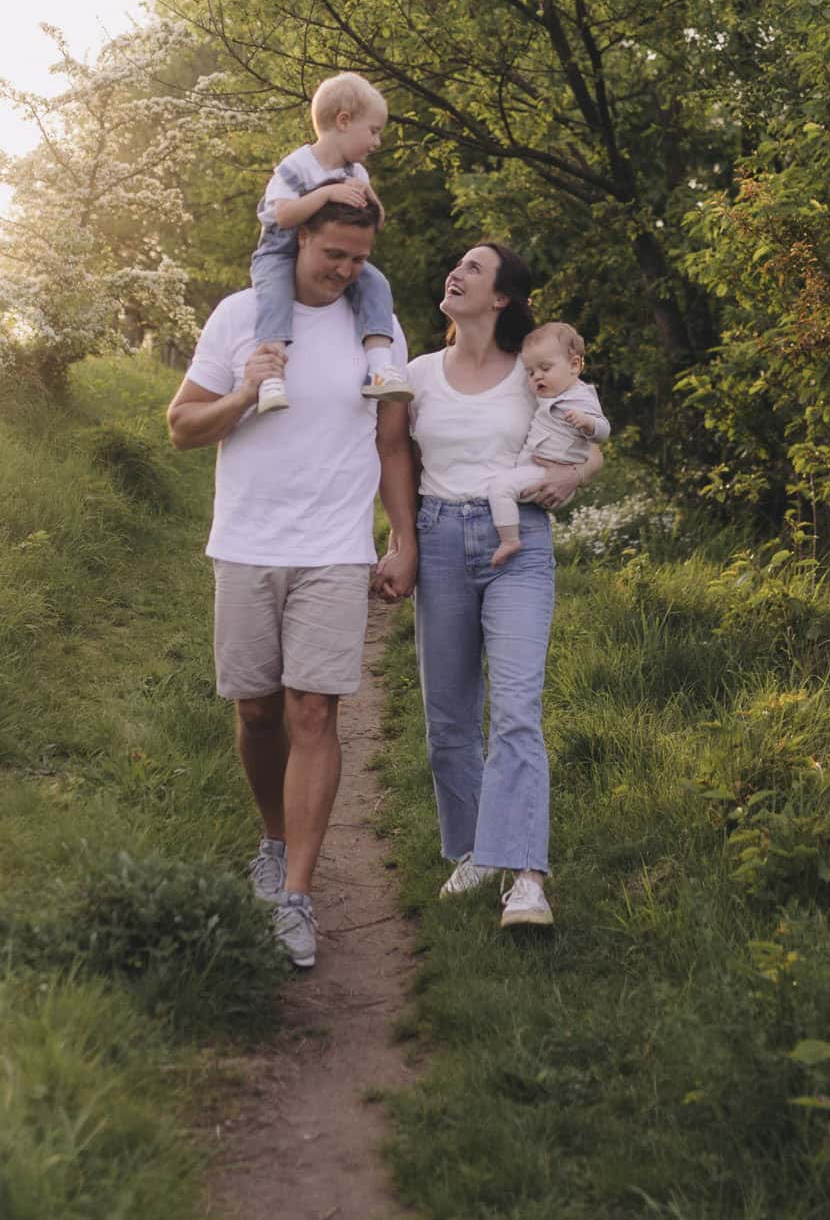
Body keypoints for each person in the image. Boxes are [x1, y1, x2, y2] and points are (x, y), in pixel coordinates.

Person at [166, 200, 415, 970]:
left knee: (314, 708)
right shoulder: (242, 314)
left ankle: (297, 895)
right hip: (245, 540)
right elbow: (181, 425)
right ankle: (271, 840)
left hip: (335, 547)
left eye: (358, 258)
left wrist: (402, 539)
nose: (345, 269)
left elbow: (391, 440)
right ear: (299, 237)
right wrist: (244, 392)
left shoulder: (378, 329)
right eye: (333, 253)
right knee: (258, 708)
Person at [398, 243, 600, 930]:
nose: (455, 271)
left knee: (516, 710)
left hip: (520, 542)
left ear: (503, 297)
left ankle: (527, 877)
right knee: (449, 719)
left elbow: (590, 439)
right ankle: (476, 850)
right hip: (441, 541)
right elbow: (390, 453)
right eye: (455, 263)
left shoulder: (532, 372)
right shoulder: (419, 373)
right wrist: (401, 540)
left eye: (474, 269)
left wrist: (573, 476)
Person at [248, 72, 414, 415]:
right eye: (373, 131)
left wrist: (371, 201)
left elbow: (375, 221)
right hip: (280, 252)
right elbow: (284, 216)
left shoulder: (356, 173)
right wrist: (326, 194)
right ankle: (271, 376)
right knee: (276, 296)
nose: (377, 142)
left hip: (327, 255)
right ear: (343, 121)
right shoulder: (296, 167)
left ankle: (380, 366)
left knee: (375, 282)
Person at [484, 321, 608, 568]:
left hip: (548, 476)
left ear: (574, 365)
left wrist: (587, 423)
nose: (537, 376)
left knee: (499, 488)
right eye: (530, 372)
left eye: (545, 368)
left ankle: (509, 540)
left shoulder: (580, 398)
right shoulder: (551, 395)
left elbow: (603, 432)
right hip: (538, 471)